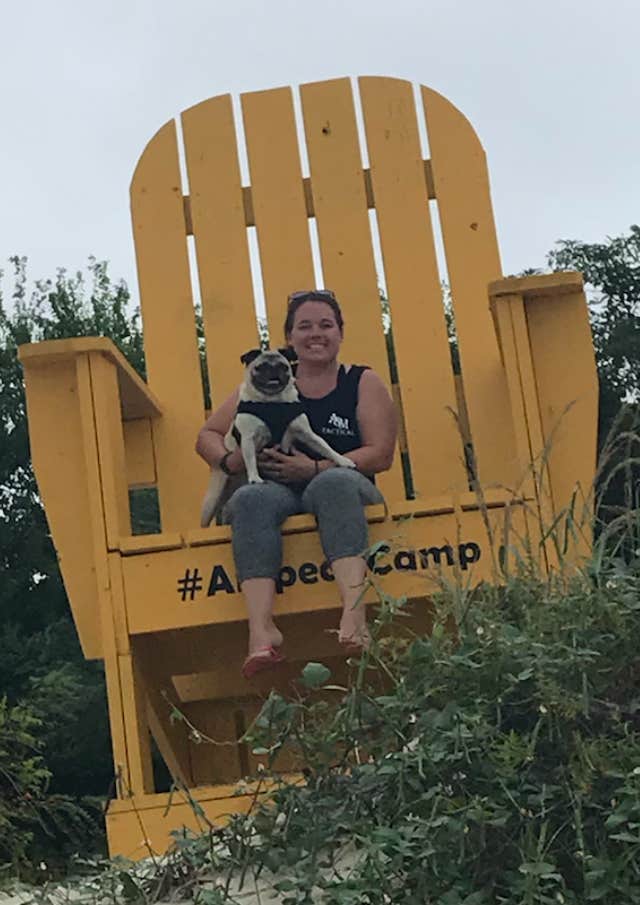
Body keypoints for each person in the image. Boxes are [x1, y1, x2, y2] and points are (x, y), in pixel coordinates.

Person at [195, 289, 397, 678]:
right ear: (290, 338)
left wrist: (315, 468)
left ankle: (355, 618)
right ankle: (261, 634)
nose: (316, 334)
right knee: (252, 498)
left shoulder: (361, 381)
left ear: (341, 332)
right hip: (278, 492)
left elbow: (380, 453)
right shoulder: (262, 384)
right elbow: (207, 434)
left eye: (326, 325)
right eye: (304, 326)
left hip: (349, 494)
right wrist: (230, 460)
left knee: (333, 483)